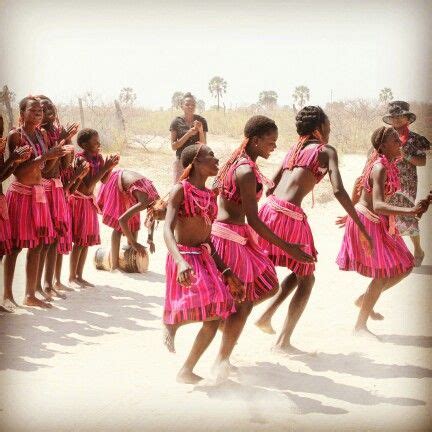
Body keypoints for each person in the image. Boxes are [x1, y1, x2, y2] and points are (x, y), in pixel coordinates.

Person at [255, 106, 372, 354]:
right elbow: (339, 190)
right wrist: (359, 223)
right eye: (327, 127)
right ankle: (282, 342)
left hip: (269, 210)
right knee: (307, 278)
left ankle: (266, 316)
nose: (329, 133)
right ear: (318, 129)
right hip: (290, 216)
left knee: (300, 271)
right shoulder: (326, 151)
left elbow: (271, 187)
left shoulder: (294, 150)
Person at [211, 116, 314, 372]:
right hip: (231, 238)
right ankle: (222, 359)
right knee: (244, 302)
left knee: (267, 286)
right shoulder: (245, 170)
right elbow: (254, 221)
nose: (274, 147)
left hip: (231, 235)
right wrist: (290, 249)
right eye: (271, 142)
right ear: (255, 141)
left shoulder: (238, 163)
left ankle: (225, 327)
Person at [336, 126, 429, 337]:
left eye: (399, 140)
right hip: (370, 221)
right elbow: (377, 205)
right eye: (395, 141)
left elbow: (359, 184)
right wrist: (410, 210)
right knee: (382, 272)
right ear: (383, 146)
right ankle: (359, 326)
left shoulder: (387, 164)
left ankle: (365, 299)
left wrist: (352, 209)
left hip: (379, 221)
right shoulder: (379, 167)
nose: (400, 143)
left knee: (405, 266)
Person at [163, 143, 243, 383]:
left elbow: (207, 238)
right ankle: (171, 320)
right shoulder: (181, 190)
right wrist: (179, 262)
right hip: (185, 256)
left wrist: (226, 270)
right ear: (196, 161)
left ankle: (186, 370)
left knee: (217, 314)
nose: (216, 159)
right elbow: (167, 230)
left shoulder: (209, 196)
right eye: (210, 156)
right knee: (207, 308)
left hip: (204, 256)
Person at [3, 96, 70, 309]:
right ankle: (6, 295)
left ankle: (30, 294)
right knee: (14, 247)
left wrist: (59, 151)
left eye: (40, 110)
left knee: (39, 243)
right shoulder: (16, 136)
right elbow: (18, 170)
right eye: (32, 110)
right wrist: (46, 156)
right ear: (22, 113)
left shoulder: (41, 134)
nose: (38, 113)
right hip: (21, 193)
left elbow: (47, 168)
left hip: (39, 193)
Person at [34, 95, 79, 300]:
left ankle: (48, 283)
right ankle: (37, 287)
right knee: (44, 238)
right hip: (45, 187)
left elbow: (65, 166)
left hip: (57, 186)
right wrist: (61, 142)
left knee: (54, 238)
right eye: (43, 109)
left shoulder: (55, 131)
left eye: (50, 106)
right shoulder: (41, 133)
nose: (48, 111)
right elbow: (47, 168)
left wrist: (67, 141)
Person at [68, 128, 119, 288]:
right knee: (79, 241)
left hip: (89, 201)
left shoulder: (98, 158)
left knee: (85, 242)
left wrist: (110, 166)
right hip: (79, 201)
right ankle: (71, 276)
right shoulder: (80, 160)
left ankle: (79, 275)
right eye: (95, 141)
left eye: (98, 141)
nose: (99, 144)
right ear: (84, 144)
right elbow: (88, 185)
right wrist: (106, 167)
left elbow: (103, 180)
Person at [382, 101, 430, 266]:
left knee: (408, 214)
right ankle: (394, 254)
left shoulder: (415, 139)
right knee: (388, 217)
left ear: (407, 118)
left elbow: (422, 162)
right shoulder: (386, 137)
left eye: (399, 116)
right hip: (387, 182)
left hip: (406, 184)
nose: (396, 119)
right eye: (393, 117)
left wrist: (406, 155)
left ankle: (417, 249)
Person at [97, 169, 161, 269]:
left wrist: (150, 238)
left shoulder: (157, 200)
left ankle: (129, 258)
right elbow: (121, 220)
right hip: (118, 182)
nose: (156, 219)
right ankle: (115, 266)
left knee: (134, 225)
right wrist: (134, 243)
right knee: (118, 228)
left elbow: (151, 217)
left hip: (131, 189)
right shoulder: (145, 202)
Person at [170, 93, 208, 183]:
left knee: (196, 192)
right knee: (178, 189)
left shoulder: (201, 121)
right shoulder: (176, 122)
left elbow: (203, 145)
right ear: (182, 106)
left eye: (193, 105)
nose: (190, 107)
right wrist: (188, 133)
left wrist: (201, 130)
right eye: (187, 104)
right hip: (181, 161)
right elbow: (173, 146)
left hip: (197, 161)